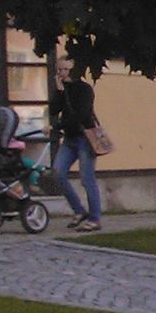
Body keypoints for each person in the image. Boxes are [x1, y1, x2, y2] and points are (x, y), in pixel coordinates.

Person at [50, 59, 102, 231]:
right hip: (70, 139)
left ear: (74, 70)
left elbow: (79, 115)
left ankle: (95, 219)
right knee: (58, 172)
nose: (62, 73)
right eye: (59, 69)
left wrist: (56, 127)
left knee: (87, 179)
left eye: (66, 69)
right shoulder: (63, 89)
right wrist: (58, 91)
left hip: (85, 138)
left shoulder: (84, 89)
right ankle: (79, 211)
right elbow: (53, 110)